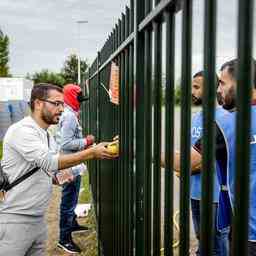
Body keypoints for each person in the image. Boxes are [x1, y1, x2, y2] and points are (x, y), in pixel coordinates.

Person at [0, 83, 118, 256]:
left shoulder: (46, 135)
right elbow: (48, 162)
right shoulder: (22, 131)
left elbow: (42, 168)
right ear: (38, 103)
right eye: (56, 103)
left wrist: (55, 178)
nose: (62, 109)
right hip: (15, 220)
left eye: (62, 104)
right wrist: (92, 152)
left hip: (37, 219)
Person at [190, 71, 229, 256]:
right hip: (195, 192)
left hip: (216, 196)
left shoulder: (223, 119)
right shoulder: (195, 119)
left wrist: (188, 166)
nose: (192, 91)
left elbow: (215, 159)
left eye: (196, 87)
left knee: (217, 242)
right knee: (201, 237)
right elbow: (189, 154)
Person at [55, 83, 95, 254]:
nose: (81, 102)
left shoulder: (70, 113)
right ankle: (64, 239)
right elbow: (66, 143)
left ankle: (72, 224)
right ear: (72, 97)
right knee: (68, 201)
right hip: (68, 166)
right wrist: (86, 142)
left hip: (71, 165)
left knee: (71, 198)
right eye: (79, 99)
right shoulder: (70, 116)